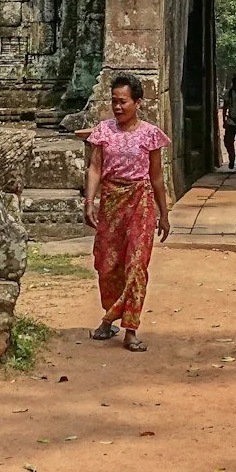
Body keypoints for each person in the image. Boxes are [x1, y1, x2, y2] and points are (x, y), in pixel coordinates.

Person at [81, 73, 172, 351]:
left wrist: (164, 213)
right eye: (114, 102)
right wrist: (89, 201)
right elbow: (95, 168)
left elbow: (156, 177)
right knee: (107, 264)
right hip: (111, 202)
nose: (117, 107)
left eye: (123, 102)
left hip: (140, 202)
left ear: (138, 103)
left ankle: (131, 328)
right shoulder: (103, 131)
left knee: (136, 264)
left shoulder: (150, 134)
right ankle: (110, 317)